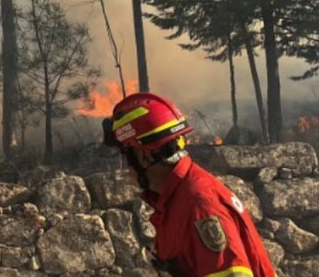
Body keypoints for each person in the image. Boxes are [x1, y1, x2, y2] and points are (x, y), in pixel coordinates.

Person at [102, 92, 275, 277]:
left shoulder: (199, 205)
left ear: (143, 156)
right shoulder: (176, 199)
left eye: (126, 157)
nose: (126, 167)